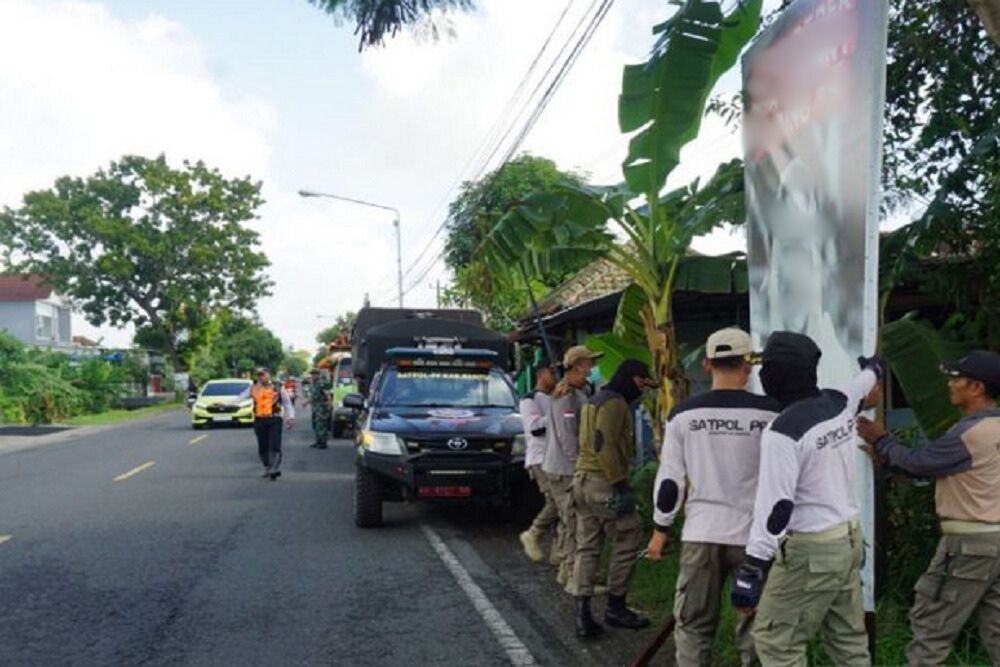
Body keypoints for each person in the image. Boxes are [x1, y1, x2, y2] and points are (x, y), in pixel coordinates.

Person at [730, 332, 882, 666]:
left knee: (775, 641)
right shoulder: (838, 401)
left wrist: (753, 567)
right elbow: (865, 379)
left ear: (774, 376)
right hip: (848, 539)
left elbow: (777, 508)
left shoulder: (782, 432)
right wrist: (874, 368)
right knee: (848, 639)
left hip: (811, 552)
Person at [857, 350, 1000, 666]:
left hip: (968, 546)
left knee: (932, 628)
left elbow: (920, 463)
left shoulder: (970, 433)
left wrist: (882, 440)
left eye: (955, 379)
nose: (950, 385)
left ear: (976, 387)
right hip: (995, 542)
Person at [649, 328, 781, 666]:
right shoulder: (771, 414)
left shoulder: (683, 416)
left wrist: (660, 531)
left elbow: (670, 481)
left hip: (701, 535)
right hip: (754, 540)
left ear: (707, 364)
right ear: (747, 365)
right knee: (755, 624)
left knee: (693, 624)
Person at [573, 359, 659, 638]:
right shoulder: (615, 403)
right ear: (629, 378)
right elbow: (603, 444)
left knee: (588, 546)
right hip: (603, 483)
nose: (642, 391)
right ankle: (616, 606)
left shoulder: (594, 399)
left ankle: (582, 612)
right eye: (640, 383)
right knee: (628, 534)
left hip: (582, 482)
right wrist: (621, 486)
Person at [542, 345, 602, 594]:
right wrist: (580, 465)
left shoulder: (580, 392)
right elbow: (568, 438)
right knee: (572, 522)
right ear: (578, 365)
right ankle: (572, 574)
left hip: (569, 467)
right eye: (589, 363)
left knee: (572, 522)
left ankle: (569, 571)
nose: (592, 369)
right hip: (565, 469)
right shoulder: (566, 396)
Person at [518, 360, 559, 564]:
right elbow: (535, 428)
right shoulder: (530, 400)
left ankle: (558, 554)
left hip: (556, 457)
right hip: (540, 458)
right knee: (556, 501)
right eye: (552, 372)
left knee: (564, 507)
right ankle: (534, 532)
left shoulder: (555, 398)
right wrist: (556, 413)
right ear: (542, 374)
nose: (556, 377)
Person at [239, 368, 295, 480]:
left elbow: (287, 402)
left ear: (269, 375)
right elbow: (240, 397)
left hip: (274, 419)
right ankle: (268, 467)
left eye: (263, 375)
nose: (261, 377)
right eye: (259, 375)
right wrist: (224, 403)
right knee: (263, 447)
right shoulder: (254, 388)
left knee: (274, 445)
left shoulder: (278, 387)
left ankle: (274, 468)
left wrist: (291, 417)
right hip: (260, 420)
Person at [305, 368, 332, 449]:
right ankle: (318, 442)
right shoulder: (314, 384)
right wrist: (306, 403)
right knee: (316, 425)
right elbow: (313, 396)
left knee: (321, 425)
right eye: (312, 374)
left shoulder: (321, 384)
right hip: (315, 408)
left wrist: (329, 405)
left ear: (318, 375)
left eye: (314, 374)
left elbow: (328, 395)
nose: (312, 376)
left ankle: (323, 443)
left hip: (322, 408)